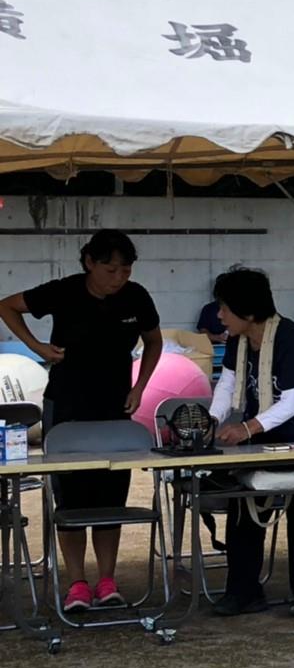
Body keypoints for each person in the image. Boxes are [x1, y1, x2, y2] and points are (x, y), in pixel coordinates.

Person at [0, 229, 163, 612]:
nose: (118, 278)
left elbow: (153, 341)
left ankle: (107, 579)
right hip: (68, 405)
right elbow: (6, 306)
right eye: (110, 269)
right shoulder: (64, 291)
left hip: (115, 406)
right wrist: (37, 347)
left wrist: (140, 387)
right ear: (90, 263)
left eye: (125, 270)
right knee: (70, 496)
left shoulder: (136, 297)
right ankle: (76, 581)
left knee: (110, 493)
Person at [206, 268, 294, 618]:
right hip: (262, 435)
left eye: (224, 308)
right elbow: (228, 384)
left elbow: (292, 403)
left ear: (247, 313)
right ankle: (243, 591)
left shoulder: (292, 339)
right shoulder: (239, 340)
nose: (219, 315)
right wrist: (212, 422)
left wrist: (246, 428)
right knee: (241, 502)